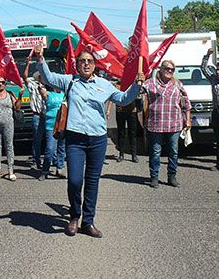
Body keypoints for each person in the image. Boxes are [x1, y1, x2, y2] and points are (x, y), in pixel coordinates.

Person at [35, 44, 142, 238]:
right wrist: (40, 59)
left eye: (90, 61)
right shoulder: (70, 81)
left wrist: (137, 85)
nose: (86, 64)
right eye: (82, 61)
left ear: (95, 65)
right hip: (75, 139)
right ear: (77, 65)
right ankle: (74, 216)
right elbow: (49, 78)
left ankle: (88, 222)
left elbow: (123, 99)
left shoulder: (104, 84)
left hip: (98, 140)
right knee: (75, 180)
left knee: (92, 182)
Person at [141, 60, 191, 188]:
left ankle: (172, 176)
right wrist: (138, 80)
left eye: (172, 69)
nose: (170, 71)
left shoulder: (177, 84)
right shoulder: (150, 83)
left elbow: (186, 103)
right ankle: (154, 177)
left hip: (174, 124)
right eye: (167, 68)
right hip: (155, 124)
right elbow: (136, 92)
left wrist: (188, 119)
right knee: (155, 152)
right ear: (161, 69)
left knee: (173, 152)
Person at [38, 84, 66, 180]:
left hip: (62, 125)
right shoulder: (48, 94)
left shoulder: (64, 94)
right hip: (51, 125)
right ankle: (45, 170)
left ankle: (60, 168)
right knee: (50, 149)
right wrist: (41, 83)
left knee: (61, 148)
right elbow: (42, 91)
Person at [24, 57, 46, 170]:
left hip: (48, 116)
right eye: (40, 76)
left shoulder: (50, 87)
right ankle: (36, 159)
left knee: (52, 138)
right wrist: (27, 64)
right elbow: (25, 77)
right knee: (37, 138)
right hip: (37, 115)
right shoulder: (33, 86)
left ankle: (51, 160)